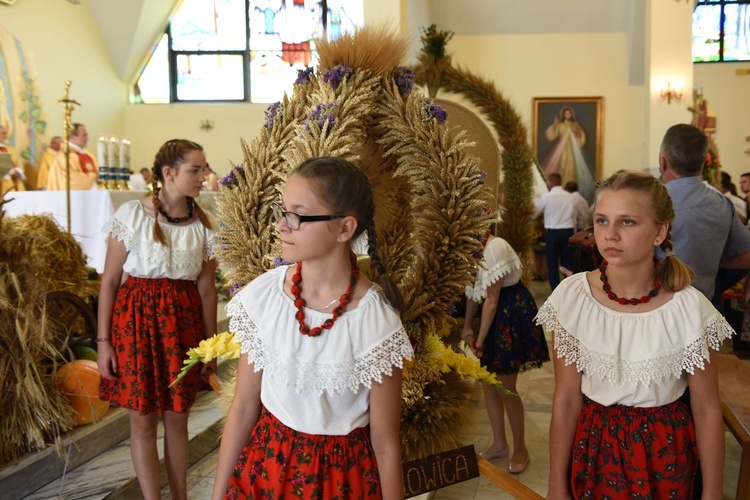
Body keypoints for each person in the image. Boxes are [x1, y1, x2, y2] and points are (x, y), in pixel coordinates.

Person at [211, 157, 413, 499]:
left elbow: (386, 443)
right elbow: (245, 407)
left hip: (341, 480)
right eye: (282, 210)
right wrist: (218, 494)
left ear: (344, 228)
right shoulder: (266, 298)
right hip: (266, 469)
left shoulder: (375, 322)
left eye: (297, 215)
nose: (281, 226)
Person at [538, 170, 732, 498]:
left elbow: (707, 409)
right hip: (596, 450)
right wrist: (556, 482)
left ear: (659, 232)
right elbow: (567, 399)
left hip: (666, 453)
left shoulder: (687, 308)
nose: (610, 234)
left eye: (627, 222)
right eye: (601, 220)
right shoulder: (573, 299)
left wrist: (712, 493)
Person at [97, 139, 217, 500]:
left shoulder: (203, 224)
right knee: (143, 420)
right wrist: (103, 343)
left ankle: (179, 496)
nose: (203, 176)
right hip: (135, 326)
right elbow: (110, 282)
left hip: (182, 327)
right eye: (195, 170)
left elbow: (207, 290)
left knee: (179, 418)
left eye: (204, 169)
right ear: (169, 173)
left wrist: (209, 348)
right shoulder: (132, 216)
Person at [461, 228, 549, 474]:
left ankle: (521, 448)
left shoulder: (494, 248)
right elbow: (472, 290)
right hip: (495, 313)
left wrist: (478, 338)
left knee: (506, 386)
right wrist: (467, 325)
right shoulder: (471, 250)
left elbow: (491, 298)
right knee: (488, 381)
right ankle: (499, 443)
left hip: (510, 312)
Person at [657, 124, 750, 310]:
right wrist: (712, 260)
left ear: (662, 162)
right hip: (705, 308)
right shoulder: (722, 203)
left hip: (658, 306)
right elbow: (746, 257)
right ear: (704, 162)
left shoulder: (650, 203)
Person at [540, 106, 595, 202]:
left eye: (569, 113)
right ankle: (562, 189)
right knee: (562, 167)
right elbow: (551, 136)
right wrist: (555, 125)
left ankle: (570, 189)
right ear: (563, 115)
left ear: (571, 115)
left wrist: (578, 132)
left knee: (572, 168)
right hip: (562, 150)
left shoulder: (575, 125)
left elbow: (581, 138)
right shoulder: (560, 125)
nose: (567, 115)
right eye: (566, 113)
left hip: (573, 151)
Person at [534, 172, 575, 291]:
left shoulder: (546, 197)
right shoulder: (570, 196)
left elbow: (533, 213)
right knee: (567, 262)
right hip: (568, 231)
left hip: (553, 233)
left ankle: (556, 292)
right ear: (560, 182)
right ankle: (570, 289)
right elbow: (574, 215)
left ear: (550, 183)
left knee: (552, 264)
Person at [46, 123, 99, 190]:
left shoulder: (88, 155)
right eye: (84, 135)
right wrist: (93, 176)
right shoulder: (63, 156)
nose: (87, 138)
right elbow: (71, 181)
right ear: (72, 137)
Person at [0, 125, 25, 193]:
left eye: (6, 133)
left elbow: (18, 162)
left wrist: (17, 171)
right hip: (4, 180)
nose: (5, 136)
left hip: (15, 179)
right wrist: (10, 173)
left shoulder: (10, 148)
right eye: (3, 133)